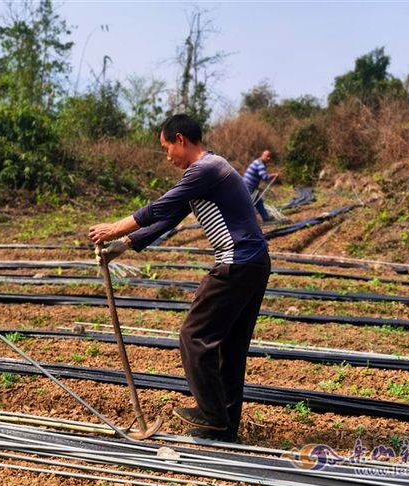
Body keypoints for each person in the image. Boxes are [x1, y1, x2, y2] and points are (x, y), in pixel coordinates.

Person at [88, 114, 271, 442]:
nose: (167, 155)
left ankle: (211, 413)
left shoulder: (204, 170)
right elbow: (171, 217)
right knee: (230, 346)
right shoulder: (209, 170)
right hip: (254, 264)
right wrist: (124, 245)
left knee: (193, 335)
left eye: (166, 147)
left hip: (236, 263)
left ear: (180, 139)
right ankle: (225, 425)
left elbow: (160, 207)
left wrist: (114, 227)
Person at [243, 150, 279, 222]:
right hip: (249, 185)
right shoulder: (260, 164)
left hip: (250, 185)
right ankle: (248, 221)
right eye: (267, 156)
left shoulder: (258, 162)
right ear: (263, 155)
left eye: (269, 157)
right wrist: (274, 175)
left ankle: (266, 218)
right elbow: (264, 177)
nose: (268, 158)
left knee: (258, 201)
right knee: (250, 204)